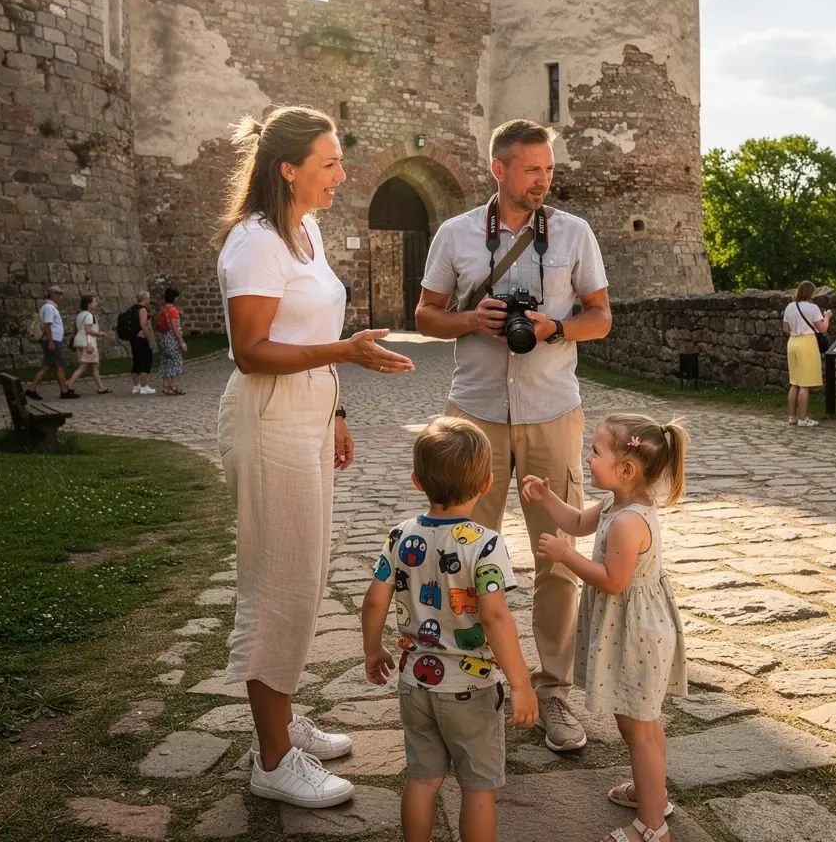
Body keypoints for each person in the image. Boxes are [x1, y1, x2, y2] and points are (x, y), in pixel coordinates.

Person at [215, 104, 414, 809]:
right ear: (288, 169)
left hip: (306, 413)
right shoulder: (255, 241)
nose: (342, 175)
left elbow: (309, 327)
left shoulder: (307, 231)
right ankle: (273, 759)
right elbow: (251, 350)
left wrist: (335, 410)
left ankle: (283, 719)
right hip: (268, 417)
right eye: (329, 164)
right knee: (277, 583)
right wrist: (346, 354)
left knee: (302, 575)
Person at [415, 118, 612, 752]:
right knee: (466, 555)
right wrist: (472, 319)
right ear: (498, 169)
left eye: (548, 169)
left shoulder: (575, 233)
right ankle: (475, 684)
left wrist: (556, 328)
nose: (543, 180)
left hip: (552, 409)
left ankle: (555, 692)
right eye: (532, 169)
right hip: (474, 413)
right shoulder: (455, 233)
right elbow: (424, 315)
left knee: (558, 556)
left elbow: (601, 317)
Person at [362, 417, 538, 842]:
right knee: (477, 788)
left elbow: (374, 600)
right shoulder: (486, 544)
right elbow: (494, 617)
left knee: (422, 780)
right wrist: (521, 683)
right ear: (487, 483)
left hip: (415, 683)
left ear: (417, 480)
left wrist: (373, 649)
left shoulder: (400, 536)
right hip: (471, 690)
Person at [522, 413, 689, 842]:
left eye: (595, 452)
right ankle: (653, 795)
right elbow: (578, 522)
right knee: (644, 724)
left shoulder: (629, 522)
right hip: (636, 632)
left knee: (637, 729)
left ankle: (651, 826)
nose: (588, 458)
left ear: (626, 469)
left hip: (636, 637)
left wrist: (565, 556)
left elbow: (613, 580)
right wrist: (547, 498)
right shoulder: (618, 504)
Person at [782, 280, 831, 427]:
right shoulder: (813, 308)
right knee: (805, 384)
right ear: (810, 293)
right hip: (807, 343)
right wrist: (827, 317)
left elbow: (786, 329)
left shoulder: (790, 307)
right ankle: (803, 418)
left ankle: (792, 417)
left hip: (793, 342)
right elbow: (822, 329)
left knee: (794, 382)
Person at [26, 286, 79, 400]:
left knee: (50, 366)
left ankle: (32, 389)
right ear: (53, 294)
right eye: (59, 294)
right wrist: (50, 342)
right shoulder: (49, 308)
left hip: (54, 339)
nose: (61, 297)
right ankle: (63, 391)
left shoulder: (50, 307)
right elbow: (47, 325)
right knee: (57, 365)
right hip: (53, 339)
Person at [67, 295, 111, 394]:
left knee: (95, 365)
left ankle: (101, 387)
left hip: (83, 342)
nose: (96, 304)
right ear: (89, 304)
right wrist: (100, 334)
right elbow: (88, 330)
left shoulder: (80, 315)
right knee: (84, 366)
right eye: (94, 302)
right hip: (89, 343)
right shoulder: (89, 316)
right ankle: (69, 384)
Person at [156, 287, 188, 395]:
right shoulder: (173, 310)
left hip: (163, 337)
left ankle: (166, 385)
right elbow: (174, 327)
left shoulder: (162, 309)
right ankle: (173, 385)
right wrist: (181, 341)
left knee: (165, 361)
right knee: (176, 361)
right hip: (172, 338)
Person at [130, 291, 156, 396]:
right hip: (142, 337)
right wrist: (150, 340)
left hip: (133, 338)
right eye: (148, 298)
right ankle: (144, 386)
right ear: (145, 299)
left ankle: (136, 386)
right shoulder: (142, 310)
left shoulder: (132, 309)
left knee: (136, 360)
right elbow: (143, 326)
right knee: (146, 360)